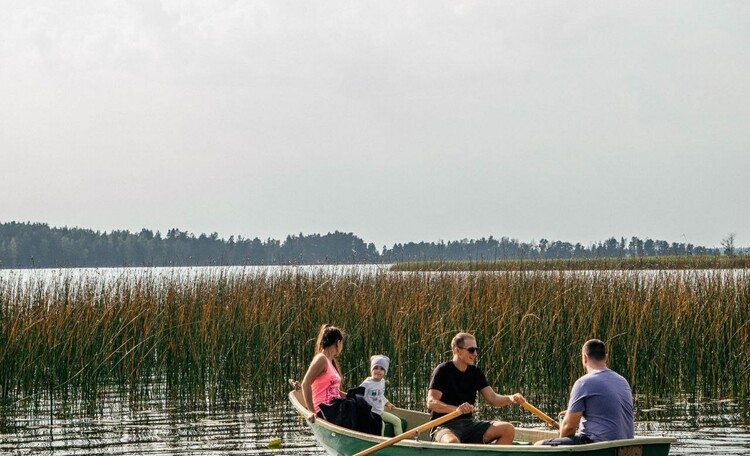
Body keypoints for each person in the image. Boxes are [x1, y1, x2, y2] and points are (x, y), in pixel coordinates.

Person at [427, 332, 526, 445]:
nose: (475, 354)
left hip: (469, 424)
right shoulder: (443, 370)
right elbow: (431, 403)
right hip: (443, 426)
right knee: (452, 442)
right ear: (457, 350)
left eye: (476, 350)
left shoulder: (475, 372)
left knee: (508, 429)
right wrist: (456, 409)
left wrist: (511, 398)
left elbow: (493, 398)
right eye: (471, 350)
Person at [536, 339, 635, 446]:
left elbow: (568, 428)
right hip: (626, 445)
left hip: (598, 445)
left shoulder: (583, 383)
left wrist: (562, 437)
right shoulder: (622, 381)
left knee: (538, 445)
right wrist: (574, 413)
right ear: (606, 357)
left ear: (584, 358)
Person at [300, 324, 347, 422]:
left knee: (359, 404)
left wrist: (351, 396)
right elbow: (305, 384)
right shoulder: (321, 359)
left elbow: (333, 391)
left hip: (335, 409)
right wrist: (311, 412)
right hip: (325, 411)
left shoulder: (331, 362)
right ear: (338, 343)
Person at [360, 355, 402, 436]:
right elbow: (360, 398)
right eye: (376, 368)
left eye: (382, 369)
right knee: (381, 425)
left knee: (397, 421)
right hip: (371, 413)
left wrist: (387, 403)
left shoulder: (382, 381)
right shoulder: (367, 384)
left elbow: (380, 395)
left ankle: (400, 442)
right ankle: (381, 444)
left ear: (385, 372)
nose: (378, 371)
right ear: (371, 369)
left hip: (380, 412)